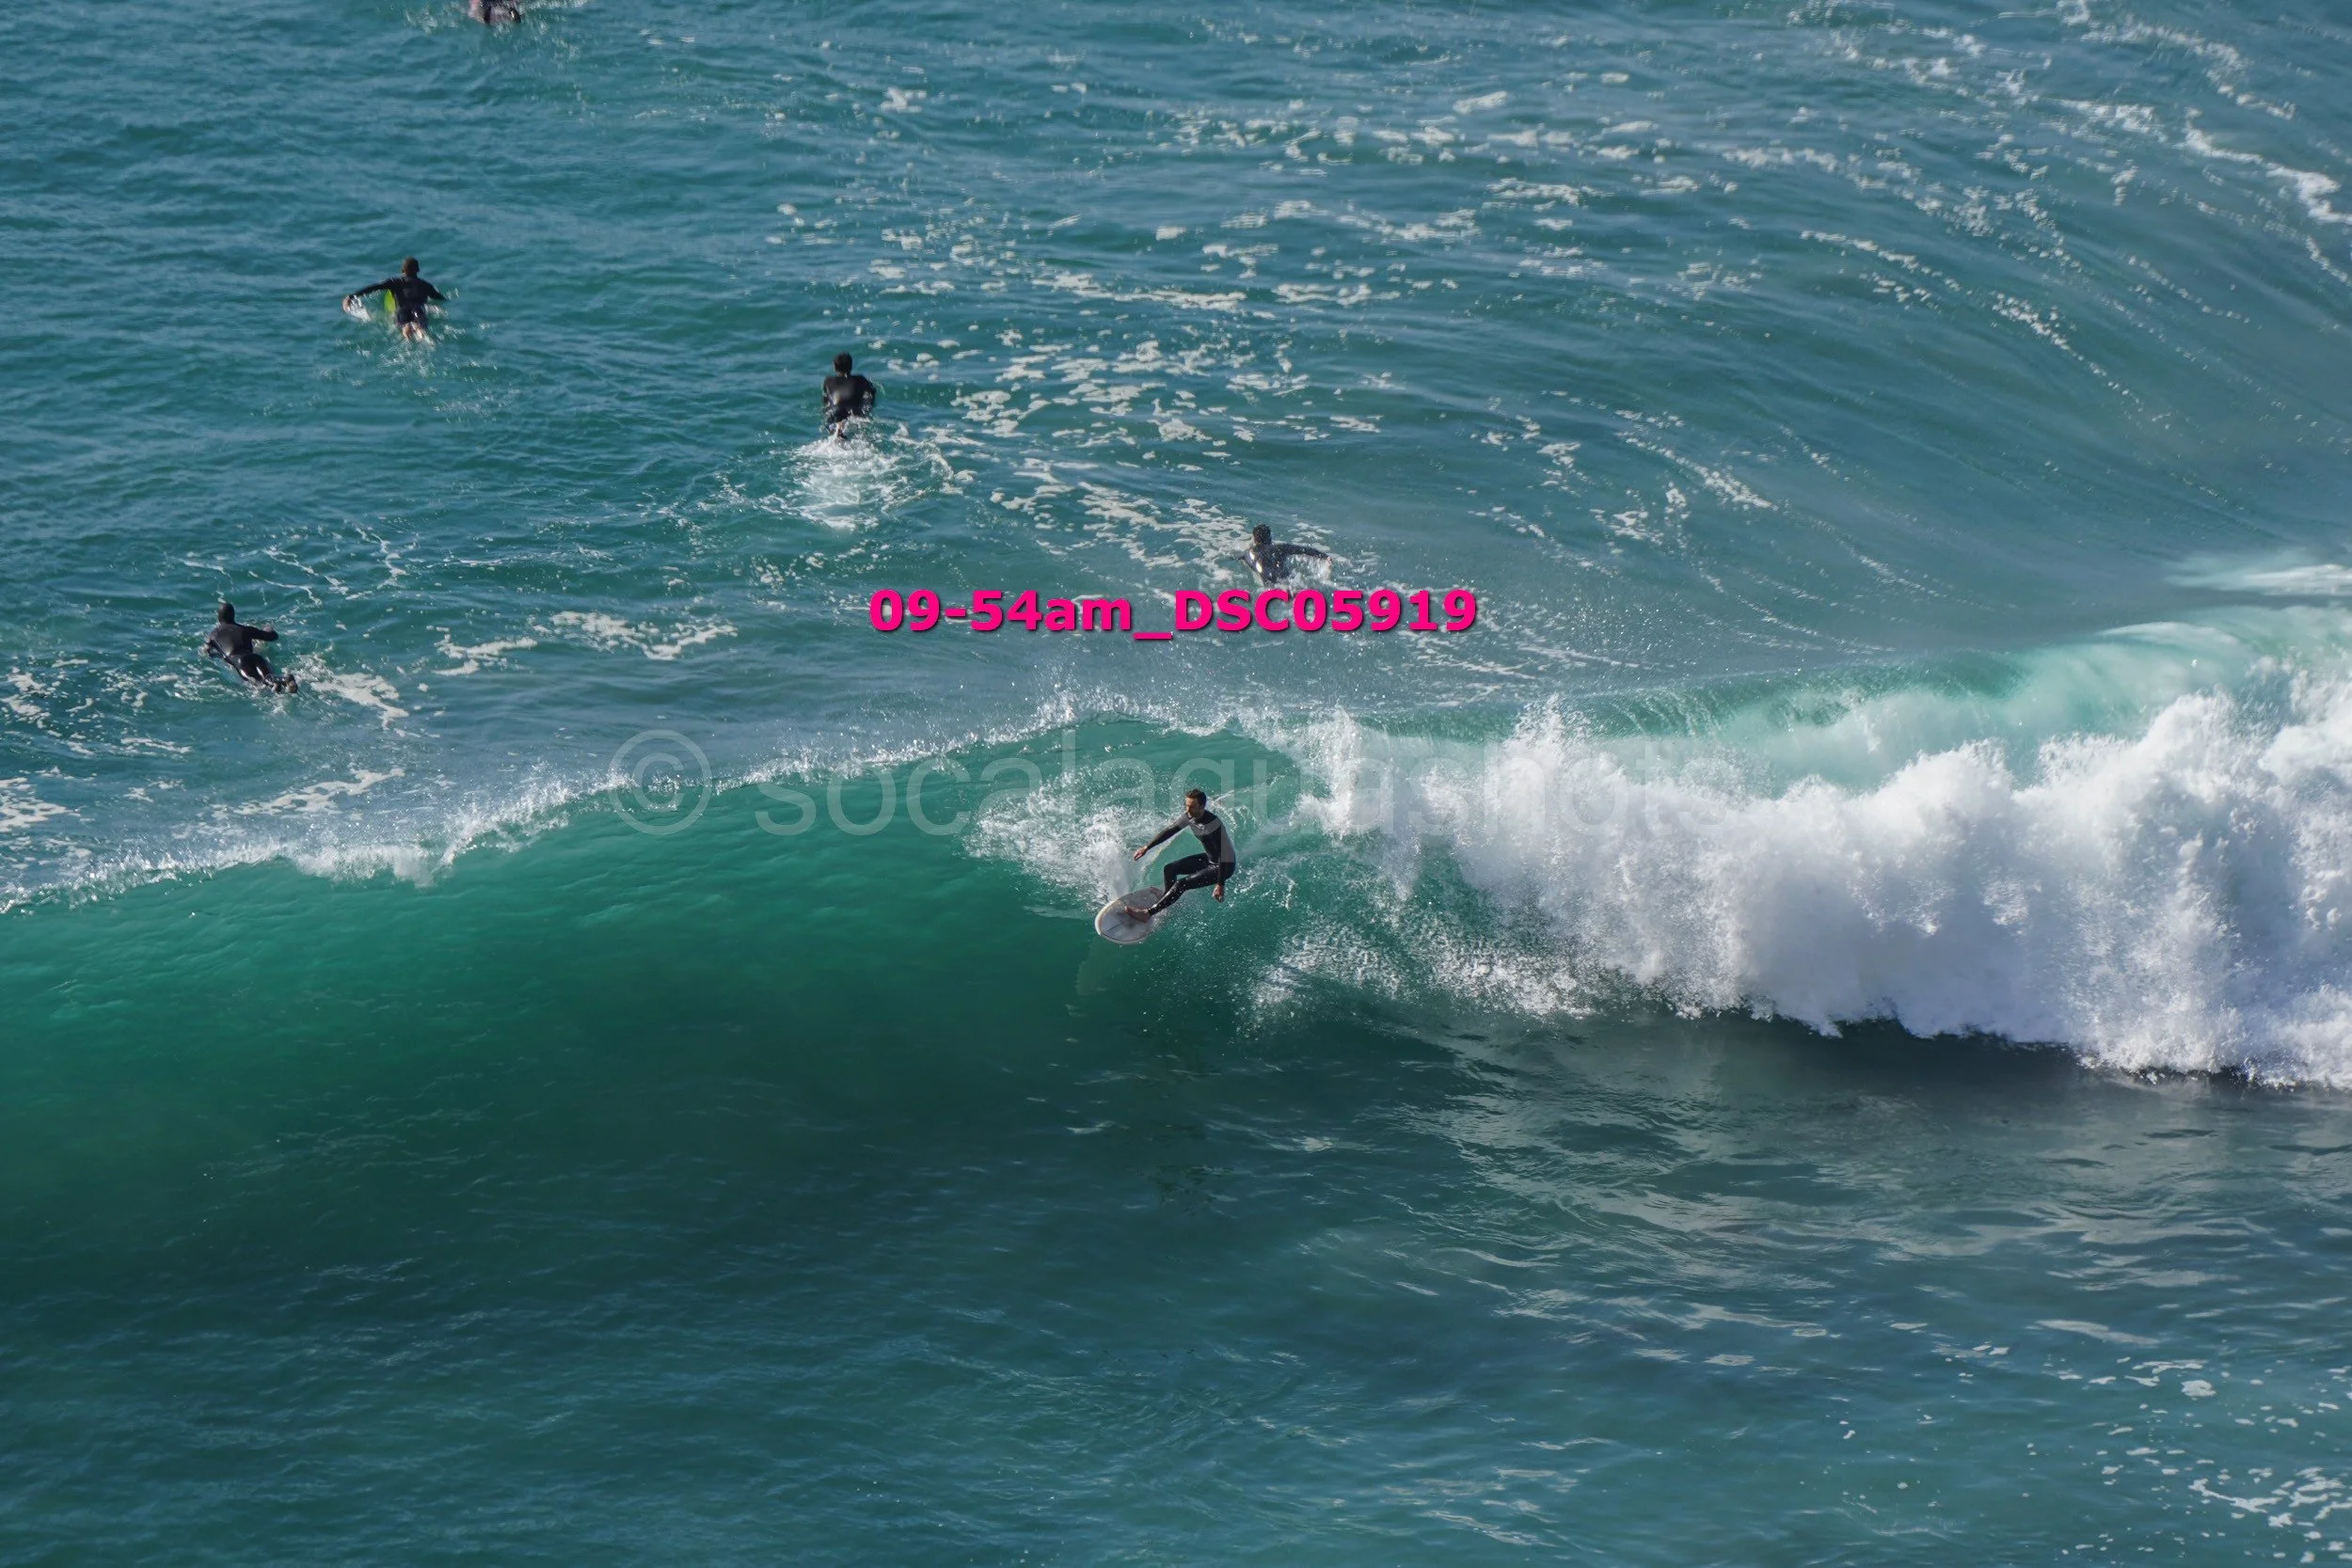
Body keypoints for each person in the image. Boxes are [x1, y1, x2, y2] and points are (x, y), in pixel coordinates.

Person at [1130, 788, 1236, 918]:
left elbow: (1224, 855)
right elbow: (1170, 831)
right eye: (1186, 805)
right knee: (1170, 869)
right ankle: (1167, 899)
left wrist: (1220, 884)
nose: (1187, 810)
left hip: (1224, 866)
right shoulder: (1189, 817)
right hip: (1209, 860)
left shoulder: (1214, 825)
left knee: (1182, 884)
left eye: (1191, 807)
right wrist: (1146, 847)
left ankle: (1148, 914)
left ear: (1202, 806)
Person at [342, 258, 445, 341]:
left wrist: (351, 297)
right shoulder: (426, 285)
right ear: (418, 270)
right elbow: (440, 298)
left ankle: (407, 338)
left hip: (402, 310)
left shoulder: (395, 282)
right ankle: (423, 337)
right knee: (420, 327)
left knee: (405, 327)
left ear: (402, 270)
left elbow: (374, 287)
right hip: (418, 309)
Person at [204, 603, 297, 693]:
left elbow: (207, 650)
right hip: (256, 657)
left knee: (257, 683)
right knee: (269, 677)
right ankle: (285, 679)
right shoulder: (245, 629)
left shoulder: (214, 634)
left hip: (240, 662)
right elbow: (272, 636)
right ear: (233, 616)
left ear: (219, 617)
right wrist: (268, 628)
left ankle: (277, 685)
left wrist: (212, 654)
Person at [1241, 524, 1328, 583]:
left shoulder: (1247, 553)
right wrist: (1326, 557)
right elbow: (1305, 550)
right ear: (1270, 537)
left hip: (1267, 586)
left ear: (1254, 539)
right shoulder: (1280, 548)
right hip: (1286, 582)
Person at [822, 353, 878, 436]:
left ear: (834, 367)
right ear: (851, 366)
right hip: (855, 411)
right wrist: (869, 406)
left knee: (834, 426)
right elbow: (872, 392)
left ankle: (838, 429)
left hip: (836, 411)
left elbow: (826, 400)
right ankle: (840, 428)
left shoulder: (828, 381)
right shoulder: (861, 379)